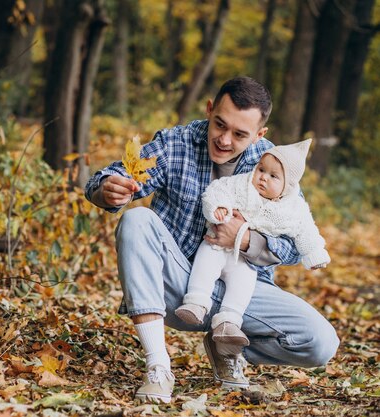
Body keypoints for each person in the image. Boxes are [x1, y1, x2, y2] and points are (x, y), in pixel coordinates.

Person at [84, 76, 339, 404]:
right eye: (219, 124)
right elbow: (109, 177)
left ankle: (226, 347)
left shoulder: (275, 167)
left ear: (259, 135)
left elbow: (294, 243)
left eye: (239, 134)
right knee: (136, 218)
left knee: (320, 342)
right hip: (178, 290)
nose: (224, 139)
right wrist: (108, 190)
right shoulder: (175, 143)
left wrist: (245, 240)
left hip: (242, 294)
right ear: (209, 110)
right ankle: (158, 367)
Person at [175, 138, 331, 348]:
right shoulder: (242, 184)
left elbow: (306, 231)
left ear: (288, 185)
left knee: (244, 284)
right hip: (217, 244)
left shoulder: (294, 208)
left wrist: (314, 253)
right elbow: (218, 189)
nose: (263, 178)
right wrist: (218, 206)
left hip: (245, 259)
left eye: (273, 176)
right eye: (261, 169)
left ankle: (228, 321)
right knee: (205, 262)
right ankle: (196, 302)